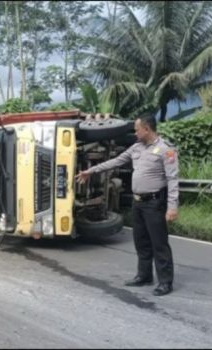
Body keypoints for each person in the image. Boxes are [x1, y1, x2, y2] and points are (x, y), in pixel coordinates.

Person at [76, 114, 179, 296]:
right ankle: (144, 275)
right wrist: (91, 171)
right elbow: (116, 161)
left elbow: (172, 180)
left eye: (137, 129)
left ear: (147, 129)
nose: (135, 132)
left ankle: (165, 282)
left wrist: (172, 207)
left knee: (159, 243)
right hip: (138, 202)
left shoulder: (166, 149)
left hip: (155, 203)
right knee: (141, 241)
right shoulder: (136, 147)